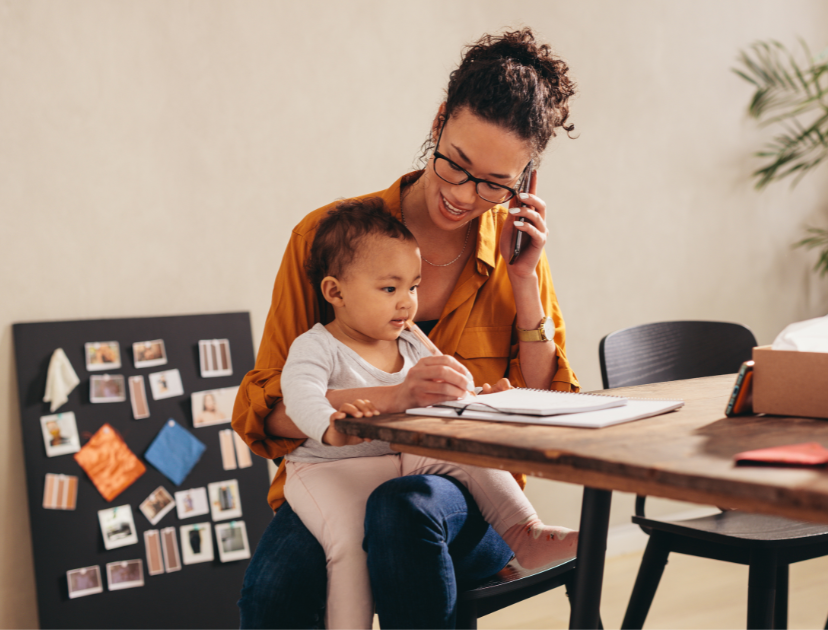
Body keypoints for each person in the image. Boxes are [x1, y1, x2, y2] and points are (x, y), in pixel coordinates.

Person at [232, 27, 579, 628]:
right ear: (440, 120)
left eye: (496, 183)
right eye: (456, 164)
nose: (465, 196)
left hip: (464, 500)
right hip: (340, 475)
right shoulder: (327, 240)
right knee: (273, 589)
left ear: (524, 181)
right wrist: (384, 404)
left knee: (403, 510)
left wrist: (525, 283)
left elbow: (548, 402)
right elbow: (265, 409)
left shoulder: (518, 255)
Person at [280, 200, 577, 628]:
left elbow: (448, 392)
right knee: (347, 546)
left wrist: (481, 398)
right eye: (389, 289)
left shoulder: (411, 340)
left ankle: (525, 534)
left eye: (413, 287)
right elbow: (300, 397)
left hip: (398, 457)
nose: (406, 303)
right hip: (330, 470)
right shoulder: (316, 346)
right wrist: (331, 428)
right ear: (335, 292)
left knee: (462, 450)